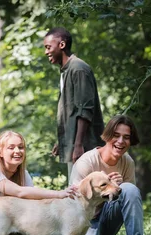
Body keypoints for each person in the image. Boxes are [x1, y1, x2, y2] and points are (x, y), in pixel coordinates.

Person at [69, 115, 145, 235]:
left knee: (130, 189)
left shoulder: (127, 162)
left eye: (126, 137)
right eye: (116, 135)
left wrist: (118, 188)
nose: (120, 141)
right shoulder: (86, 162)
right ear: (107, 136)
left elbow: (130, 200)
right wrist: (106, 188)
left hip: (109, 219)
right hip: (85, 222)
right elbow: (74, 206)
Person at [43, 27, 105, 181]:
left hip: (86, 147)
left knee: (84, 194)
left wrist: (77, 145)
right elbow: (71, 111)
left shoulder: (78, 69)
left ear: (62, 45)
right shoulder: (66, 71)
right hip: (76, 145)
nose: (46, 52)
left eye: (48, 47)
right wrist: (64, 140)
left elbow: (85, 110)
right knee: (75, 194)